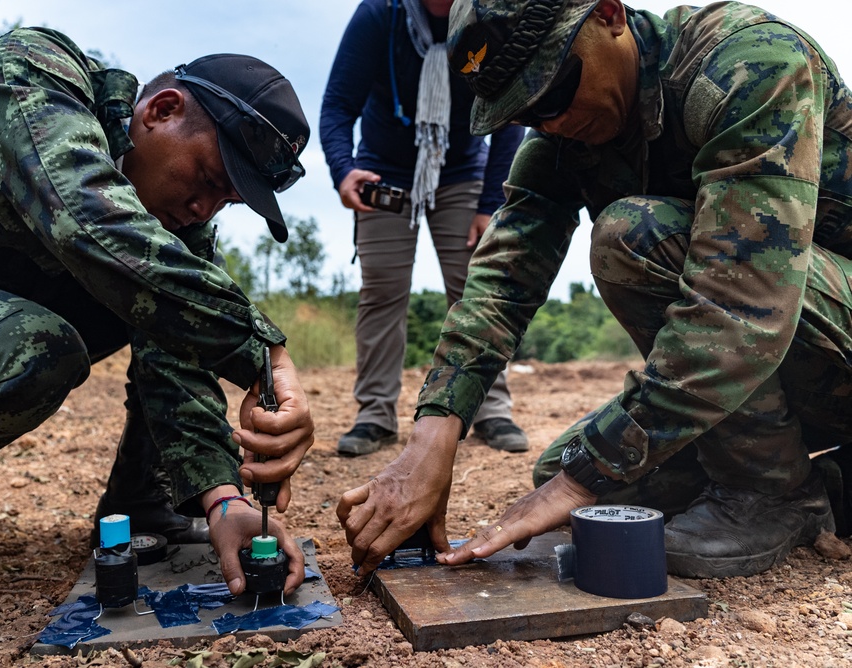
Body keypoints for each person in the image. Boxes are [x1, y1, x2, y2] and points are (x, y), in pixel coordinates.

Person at [337, 0, 852, 579]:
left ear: (608, 14)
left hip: (804, 329)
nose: (550, 122)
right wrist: (435, 432)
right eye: (525, 113)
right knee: (564, 469)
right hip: (791, 353)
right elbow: (504, 273)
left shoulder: (747, 61)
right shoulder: (569, 130)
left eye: (553, 92)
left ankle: (772, 493)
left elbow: (743, 303)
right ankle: (828, 482)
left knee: (633, 234)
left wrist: (589, 475)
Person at [0, 27, 317, 597]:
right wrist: (263, 352)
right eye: (208, 180)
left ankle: (146, 498)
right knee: (36, 344)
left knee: (165, 305)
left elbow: (179, 355)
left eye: (226, 202)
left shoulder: (174, 225)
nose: (204, 208)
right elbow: (89, 221)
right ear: (161, 110)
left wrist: (222, 497)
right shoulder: (28, 70)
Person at [320, 0, 527, 456]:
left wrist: (491, 201)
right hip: (383, 173)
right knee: (382, 291)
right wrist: (343, 170)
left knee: (477, 291)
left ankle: (492, 409)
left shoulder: (488, 18)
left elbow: (509, 115)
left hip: (462, 173)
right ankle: (374, 415)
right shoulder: (378, 15)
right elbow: (337, 105)